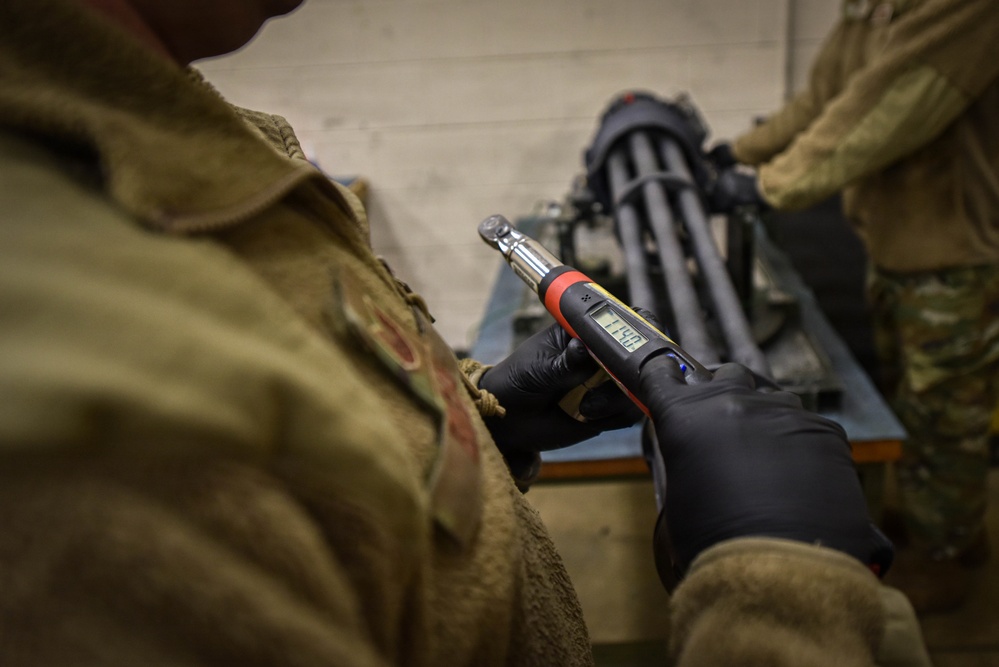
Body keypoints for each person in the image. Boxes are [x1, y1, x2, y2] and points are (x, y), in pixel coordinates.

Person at [0, 0, 931, 664]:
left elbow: (307, 485)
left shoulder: (193, 141)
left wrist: (476, 426)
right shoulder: (70, 396)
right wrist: (776, 600)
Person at [706, 0, 999, 613]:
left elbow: (887, 111)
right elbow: (824, 103)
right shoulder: (872, 11)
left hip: (955, 260)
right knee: (914, 408)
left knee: (947, 419)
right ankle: (928, 525)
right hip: (895, 251)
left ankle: (946, 559)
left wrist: (768, 184)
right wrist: (741, 152)